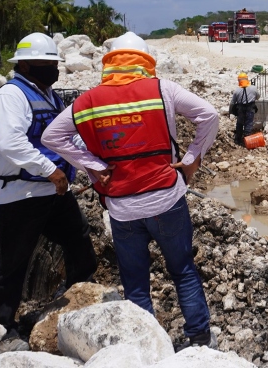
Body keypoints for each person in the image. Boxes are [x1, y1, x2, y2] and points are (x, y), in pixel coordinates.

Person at [42, 32, 219, 350]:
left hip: (122, 208)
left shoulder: (88, 101)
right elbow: (209, 115)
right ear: (145, 62)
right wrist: (191, 160)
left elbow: (52, 137)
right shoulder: (163, 89)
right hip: (167, 199)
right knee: (183, 271)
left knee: (136, 285)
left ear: (109, 64)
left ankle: (147, 348)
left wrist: (92, 165)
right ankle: (200, 342)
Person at [0, 33, 98, 352]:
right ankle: (1, 328)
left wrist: (93, 166)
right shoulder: (11, 96)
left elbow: (67, 138)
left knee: (79, 242)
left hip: (53, 193)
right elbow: (10, 144)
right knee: (9, 263)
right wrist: (51, 169)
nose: (55, 70)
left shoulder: (48, 96)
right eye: (49, 64)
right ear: (27, 64)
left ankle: (72, 300)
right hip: (19, 196)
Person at [229, 72, 261, 146]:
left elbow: (233, 102)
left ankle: (238, 140)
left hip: (240, 109)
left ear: (239, 81)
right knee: (249, 124)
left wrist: (230, 112)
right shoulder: (253, 88)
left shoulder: (237, 91)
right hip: (251, 108)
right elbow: (258, 97)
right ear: (247, 79)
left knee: (240, 124)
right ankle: (247, 141)